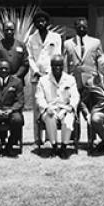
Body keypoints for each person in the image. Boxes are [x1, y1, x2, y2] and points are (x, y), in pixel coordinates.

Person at [27, 10, 62, 144]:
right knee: (37, 107)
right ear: (35, 24)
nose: (41, 23)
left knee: (50, 104)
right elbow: (29, 57)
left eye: (43, 20)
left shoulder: (56, 37)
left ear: (47, 23)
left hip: (50, 76)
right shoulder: (31, 39)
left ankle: (49, 136)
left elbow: (57, 55)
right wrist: (36, 71)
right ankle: (37, 138)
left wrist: (49, 72)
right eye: (38, 21)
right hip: (36, 77)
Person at [35, 55, 79, 158]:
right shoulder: (43, 80)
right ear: (51, 66)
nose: (57, 68)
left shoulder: (70, 79)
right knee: (50, 118)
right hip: (50, 108)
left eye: (59, 65)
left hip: (65, 108)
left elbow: (75, 96)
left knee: (68, 119)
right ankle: (54, 146)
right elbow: (39, 97)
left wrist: (71, 107)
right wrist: (46, 108)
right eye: (55, 65)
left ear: (63, 66)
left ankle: (64, 147)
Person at [63, 17, 103, 88]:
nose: (81, 29)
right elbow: (65, 64)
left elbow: (100, 61)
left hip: (92, 79)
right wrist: (65, 79)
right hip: (73, 79)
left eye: (84, 27)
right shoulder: (68, 43)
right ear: (75, 28)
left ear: (87, 27)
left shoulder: (96, 42)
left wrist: (100, 77)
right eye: (79, 27)